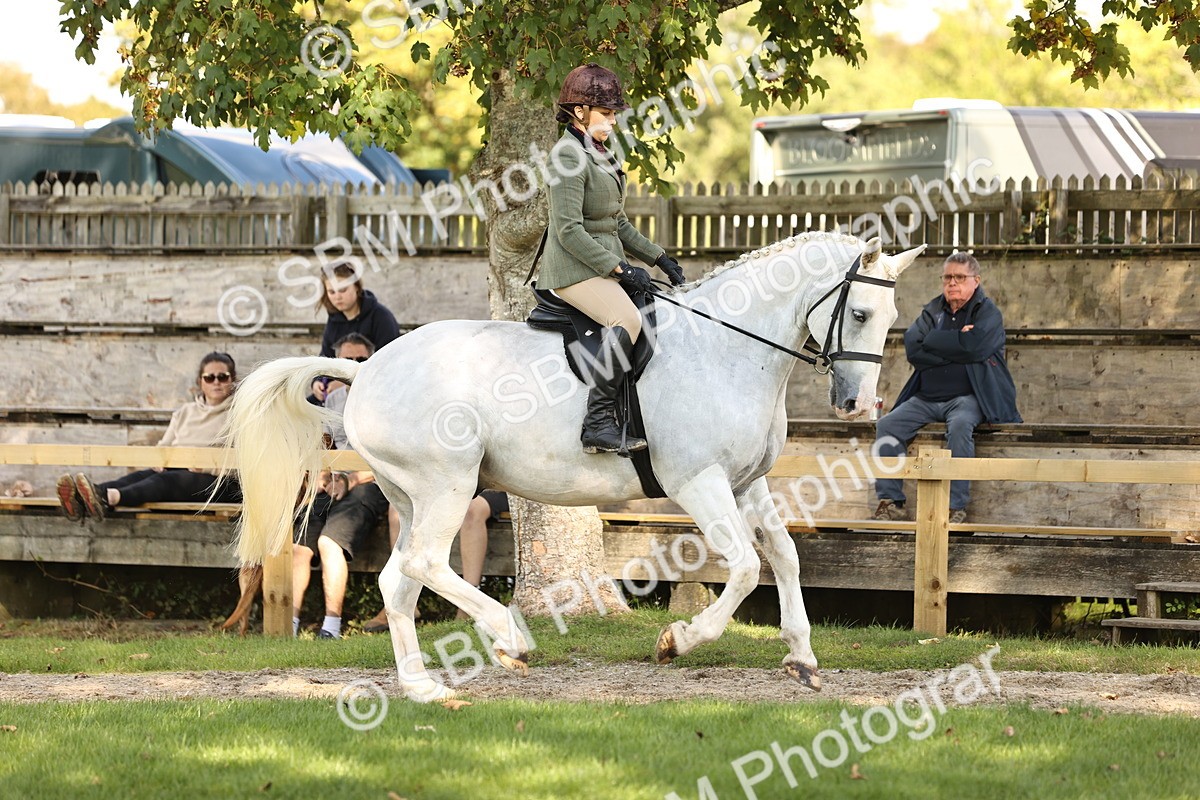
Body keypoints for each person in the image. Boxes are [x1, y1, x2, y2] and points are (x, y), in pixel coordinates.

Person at [537, 62, 686, 455]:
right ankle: (598, 423)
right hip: (571, 268)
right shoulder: (566, 157)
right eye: (607, 113)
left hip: (599, 263)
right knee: (626, 319)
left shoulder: (599, 153)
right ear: (580, 112)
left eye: (614, 113)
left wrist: (659, 258)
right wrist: (620, 269)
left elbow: (616, 222)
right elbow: (568, 231)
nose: (613, 121)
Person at [871, 253, 1021, 524]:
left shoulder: (988, 312)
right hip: (926, 397)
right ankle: (891, 500)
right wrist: (958, 342)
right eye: (948, 277)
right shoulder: (933, 310)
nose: (952, 283)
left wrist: (936, 341)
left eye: (959, 277)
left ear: (976, 280)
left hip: (967, 398)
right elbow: (914, 349)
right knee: (887, 425)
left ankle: (955, 507)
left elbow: (976, 346)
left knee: (962, 426)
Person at [56, 352, 242, 521]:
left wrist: (207, 468)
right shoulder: (185, 412)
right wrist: (159, 460)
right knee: (141, 475)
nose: (216, 382)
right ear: (200, 382)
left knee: (165, 481)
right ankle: (85, 497)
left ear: (232, 380)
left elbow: (245, 461)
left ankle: (108, 498)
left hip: (218, 482)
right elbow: (164, 446)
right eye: (210, 378)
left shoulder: (240, 414)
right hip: (177, 470)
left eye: (222, 377)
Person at [293, 333, 390, 639]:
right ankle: (288, 625)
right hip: (336, 483)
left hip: (371, 484)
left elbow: (390, 458)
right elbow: (324, 445)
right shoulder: (331, 400)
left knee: (329, 543)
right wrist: (323, 474)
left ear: (372, 360)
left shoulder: (387, 398)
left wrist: (352, 479)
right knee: (297, 548)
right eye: (346, 361)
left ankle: (330, 627)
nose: (354, 366)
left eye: (361, 360)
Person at [362, 489, 509, 632]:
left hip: (497, 486)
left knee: (471, 510)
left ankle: (469, 603)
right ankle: (403, 599)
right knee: (398, 507)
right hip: (456, 483)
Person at [310, 263, 400, 404]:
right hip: (335, 393)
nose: (337, 297)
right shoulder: (334, 321)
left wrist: (347, 383)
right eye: (332, 292)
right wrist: (317, 383)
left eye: (343, 290)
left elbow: (389, 365)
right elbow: (325, 357)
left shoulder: (381, 318)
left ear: (356, 287)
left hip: (374, 393)